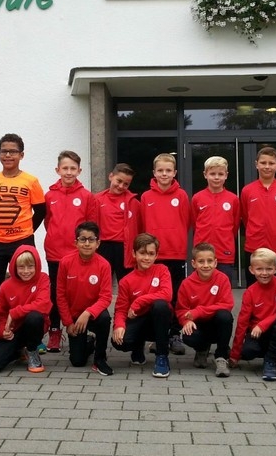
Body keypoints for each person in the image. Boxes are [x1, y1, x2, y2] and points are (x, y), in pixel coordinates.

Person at [43, 150, 98, 353]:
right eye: (65, 168)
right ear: (57, 170)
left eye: (73, 168)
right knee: (55, 294)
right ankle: (55, 331)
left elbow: (91, 225)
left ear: (79, 171)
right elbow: (48, 222)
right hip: (54, 253)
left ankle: (83, 327)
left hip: (77, 254)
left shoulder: (86, 196)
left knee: (77, 291)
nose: (68, 172)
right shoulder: (49, 195)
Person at [0, 133, 46, 296]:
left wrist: (25, 230)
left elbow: (41, 211)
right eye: (4, 151)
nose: (8, 155)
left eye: (13, 151)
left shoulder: (31, 181)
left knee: (26, 283)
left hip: (22, 241)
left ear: (21, 155)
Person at [140, 153, 192, 356]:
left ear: (175, 172)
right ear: (154, 172)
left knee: (176, 296)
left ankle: (174, 334)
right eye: (160, 170)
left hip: (176, 254)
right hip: (154, 256)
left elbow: (186, 222)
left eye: (168, 170)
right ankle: (157, 336)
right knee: (155, 297)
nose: (164, 174)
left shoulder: (182, 196)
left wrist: (175, 240)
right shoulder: (146, 197)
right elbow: (143, 225)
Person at [111, 233, 173, 378]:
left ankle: (162, 357)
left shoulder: (162, 270)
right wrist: (119, 326)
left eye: (151, 254)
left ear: (156, 255)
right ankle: (137, 347)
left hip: (158, 321)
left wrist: (139, 301)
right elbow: (121, 309)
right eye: (142, 253)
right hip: (138, 320)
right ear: (134, 253)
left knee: (160, 305)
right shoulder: (126, 281)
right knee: (119, 342)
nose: (146, 258)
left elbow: (167, 294)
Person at [57, 221, 114, 375]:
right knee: (77, 361)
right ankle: (89, 342)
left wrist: (88, 312)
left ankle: (100, 358)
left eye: (91, 239)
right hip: (75, 317)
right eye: (83, 239)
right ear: (76, 243)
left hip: (93, 314)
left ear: (98, 243)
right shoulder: (65, 263)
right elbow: (61, 295)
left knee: (105, 318)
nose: (87, 244)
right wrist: (68, 322)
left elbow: (106, 297)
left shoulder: (104, 265)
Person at [0, 245, 52, 374]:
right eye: (21, 267)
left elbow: (43, 304)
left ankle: (32, 352)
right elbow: (0, 314)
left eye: (30, 266)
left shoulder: (43, 279)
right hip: (14, 330)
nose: (26, 271)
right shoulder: (5, 286)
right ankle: (18, 350)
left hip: (33, 327)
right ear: (14, 267)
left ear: (37, 266)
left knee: (34, 316)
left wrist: (14, 313)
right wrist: (2, 331)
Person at [175, 243, 235, 377]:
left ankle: (221, 356)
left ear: (215, 262)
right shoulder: (186, 283)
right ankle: (202, 349)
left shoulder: (222, 279)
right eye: (201, 261)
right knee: (188, 334)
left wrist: (199, 311)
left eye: (209, 261)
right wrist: (186, 321)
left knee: (225, 316)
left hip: (216, 324)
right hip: (198, 324)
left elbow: (227, 304)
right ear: (194, 263)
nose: (206, 265)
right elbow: (181, 310)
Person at [229, 247, 276, 381]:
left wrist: (262, 325)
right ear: (251, 270)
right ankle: (271, 351)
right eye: (259, 269)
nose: (264, 273)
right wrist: (235, 354)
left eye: (269, 269)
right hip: (258, 333)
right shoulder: (250, 292)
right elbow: (242, 322)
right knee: (248, 352)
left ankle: (275, 358)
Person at [240, 145, 276, 285]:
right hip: (255, 246)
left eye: (271, 163)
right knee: (254, 288)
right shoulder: (247, 190)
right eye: (263, 163)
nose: (267, 166)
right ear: (256, 164)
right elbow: (245, 217)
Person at [190, 156, 241, 284]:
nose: (216, 177)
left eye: (220, 174)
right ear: (205, 175)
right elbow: (194, 222)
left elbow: (235, 225)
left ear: (226, 175)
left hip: (224, 252)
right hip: (202, 253)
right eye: (212, 174)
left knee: (223, 286)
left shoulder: (233, 199)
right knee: (201, 287)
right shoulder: (197, 198)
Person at [95, 163, 140, 284]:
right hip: (103, 247)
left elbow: (140, 228)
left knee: (127, 284)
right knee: (101, 284)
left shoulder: (134, 203)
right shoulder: (97, 200)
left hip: (124, 249)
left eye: (126, 184)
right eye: (119, 181)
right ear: (111, 176)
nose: (121, 186)